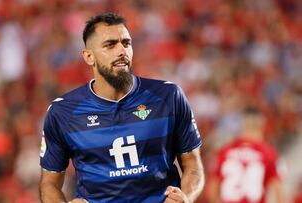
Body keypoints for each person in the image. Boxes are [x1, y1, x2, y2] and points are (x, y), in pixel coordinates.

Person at [39, 12, 204, 203]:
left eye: (126, 43)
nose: (122, 51)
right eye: (110, 45)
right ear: (89, 56)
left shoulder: (168, 96)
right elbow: (49, 183)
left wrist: (186, 197)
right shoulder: (63, 112)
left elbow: (192, 163)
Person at [209, 106, 285, 203]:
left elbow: (213, 190)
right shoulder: (270, 154)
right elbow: (278, 193)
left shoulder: (224, 151)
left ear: (242, 125)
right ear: (262, 125)